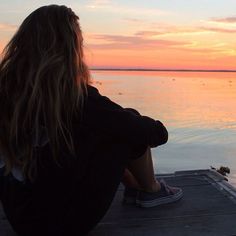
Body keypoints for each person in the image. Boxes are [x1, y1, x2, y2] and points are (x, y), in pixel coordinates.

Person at [0, 5, 183, 236]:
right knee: (124, 128)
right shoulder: (74, 97)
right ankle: (151, 189)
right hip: (59, 225)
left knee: (111, 125)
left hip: (19, 214)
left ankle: (137, 189)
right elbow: (149, 132)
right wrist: (153, 128)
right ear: (70, 46)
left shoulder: (7, 90)